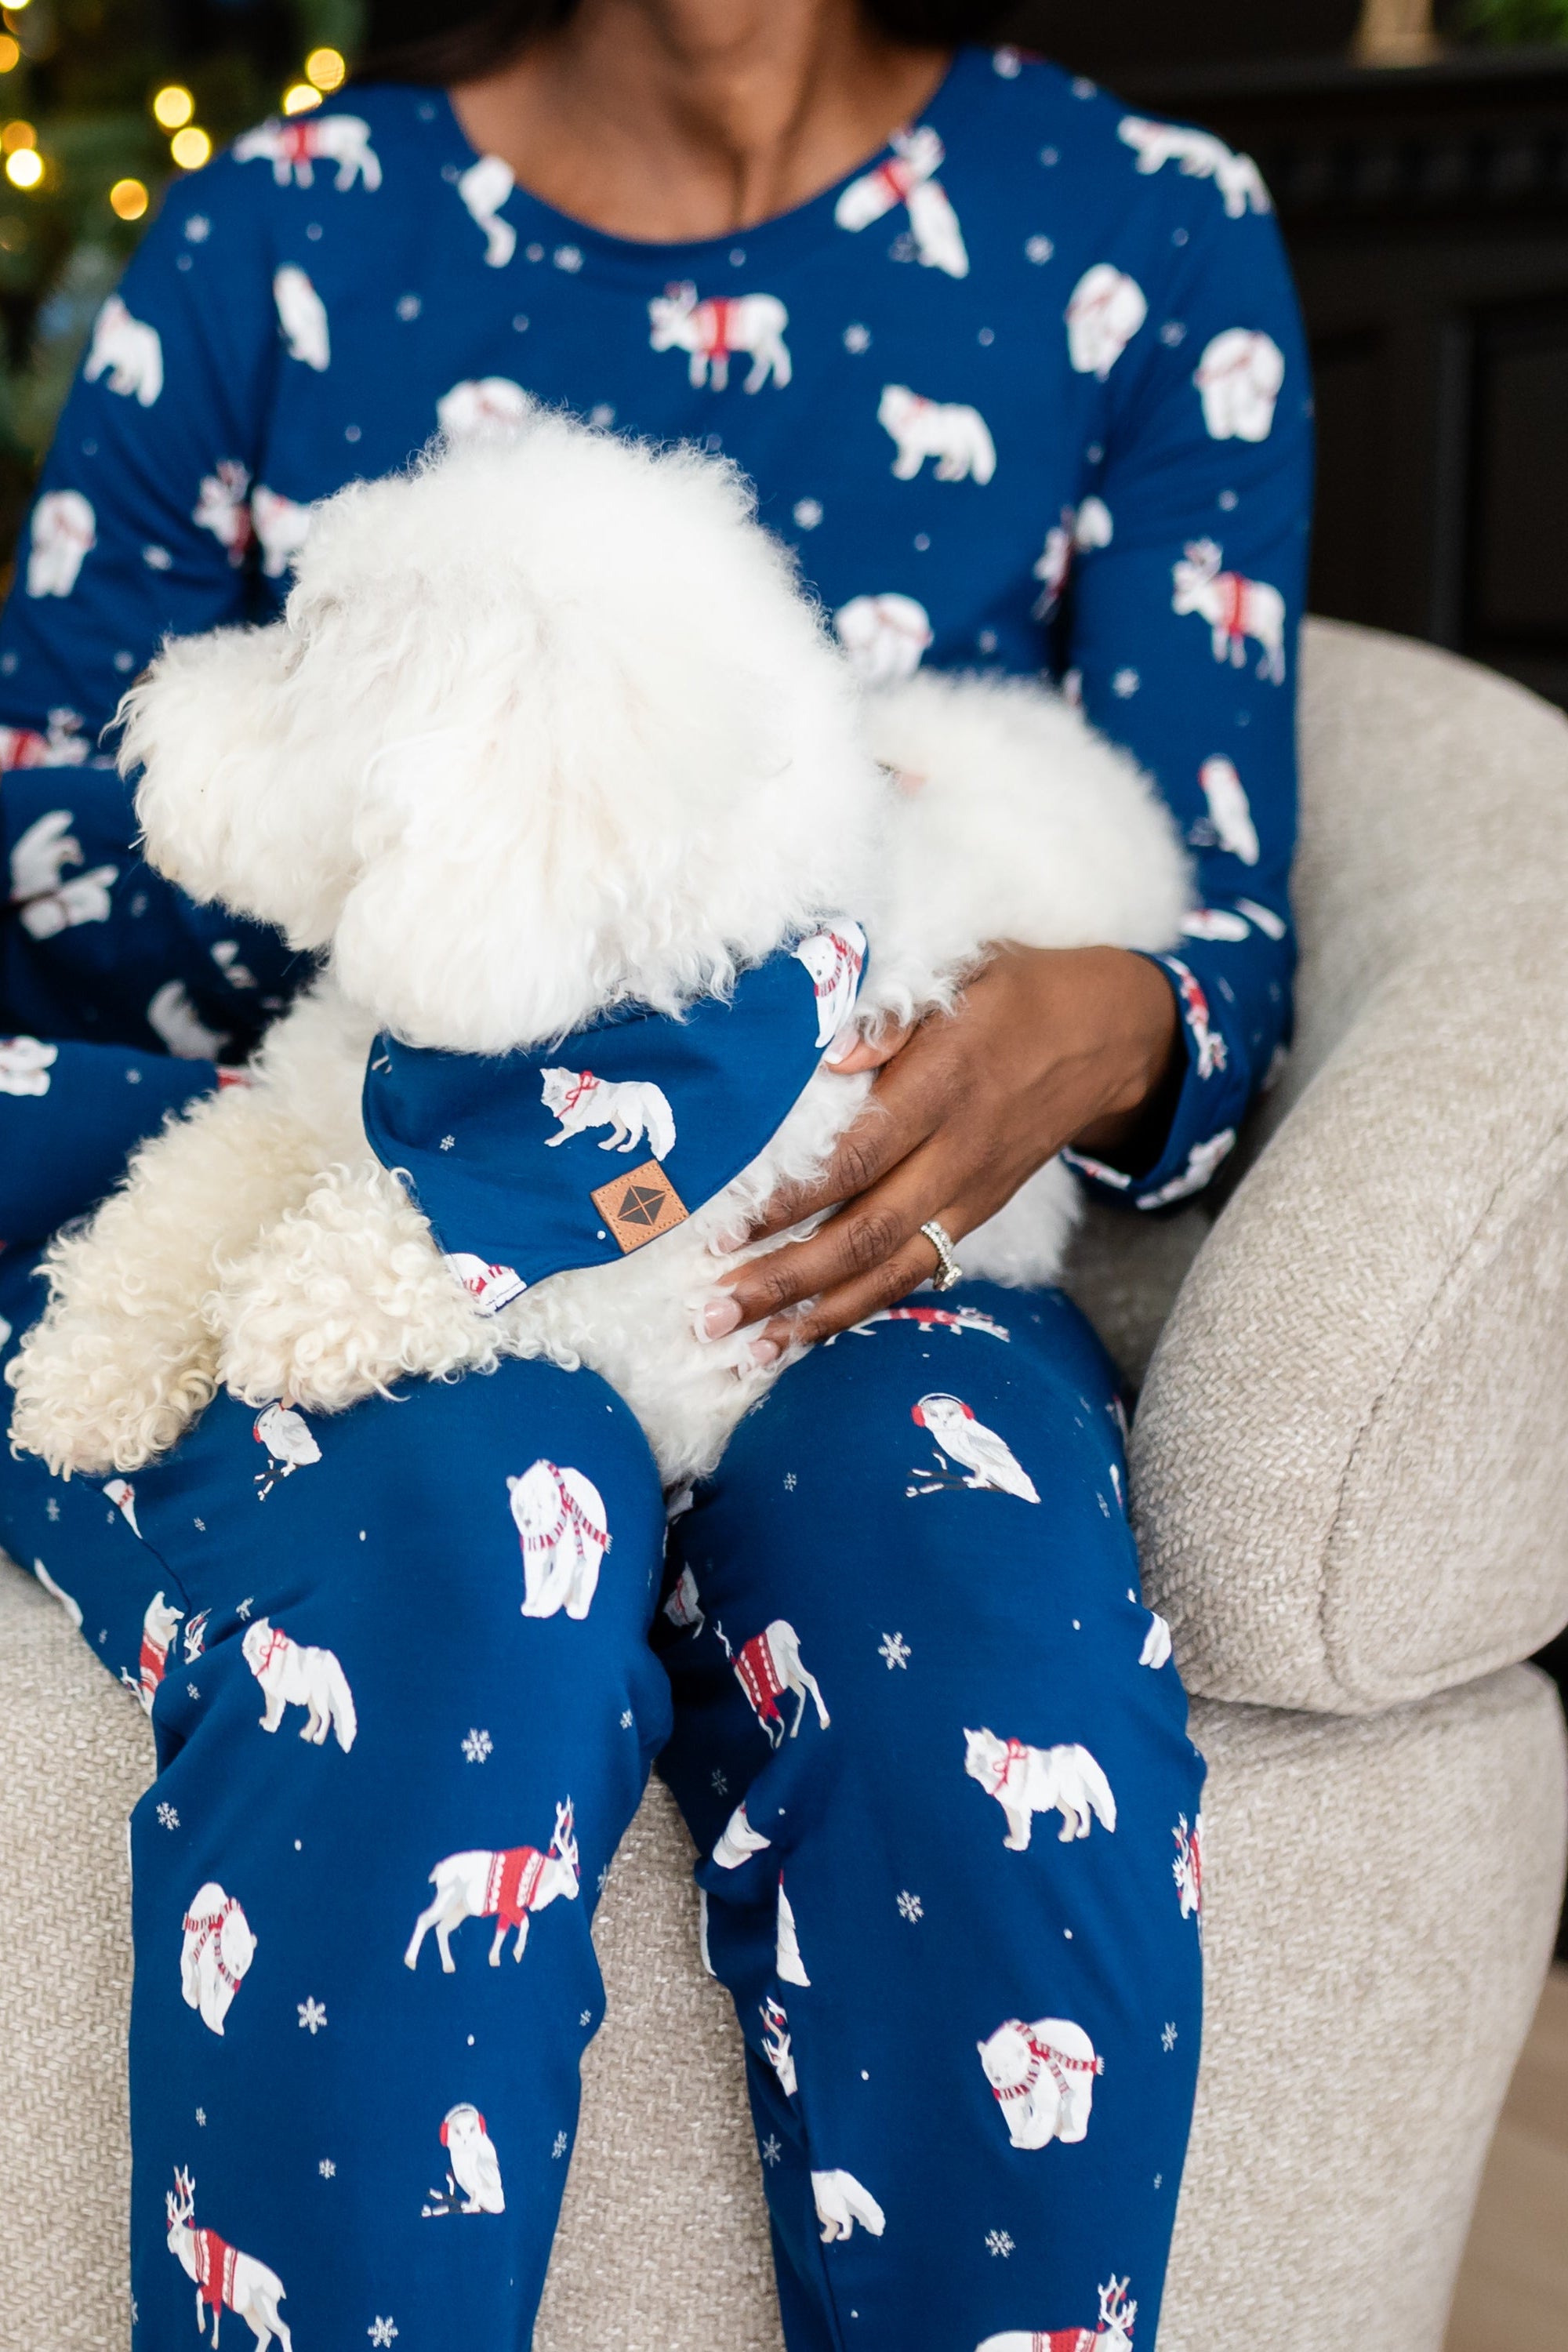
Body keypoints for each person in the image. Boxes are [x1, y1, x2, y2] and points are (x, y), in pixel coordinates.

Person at [0, 3, 1309, 2344]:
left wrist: (1099, 1017)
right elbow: (51, 835)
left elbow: (1215, 922)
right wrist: (492, 904)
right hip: (327, 1144)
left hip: (858, 1217)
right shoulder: (277, 239)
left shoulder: (1143, 235)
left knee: (984, 1651)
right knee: (453, 1547)